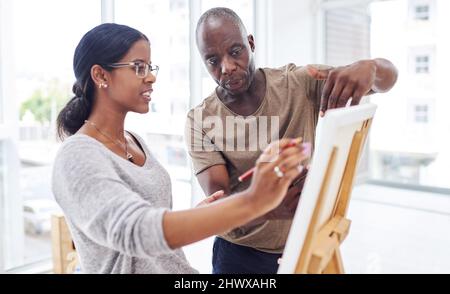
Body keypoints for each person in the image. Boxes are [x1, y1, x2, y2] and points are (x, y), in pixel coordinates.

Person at [52, 23, 308, 274]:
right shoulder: (76, 155)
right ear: (100, 75)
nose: (151, 77)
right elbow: (138, 232)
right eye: (139, 68)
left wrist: (199, 215)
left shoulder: (134, 142)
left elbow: (155, 236)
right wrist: (254, 201)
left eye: (150, 67)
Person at [185, 7, 398, 274]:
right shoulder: (200, 119)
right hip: (239, 255)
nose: (226, 67)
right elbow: (219, 202)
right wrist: (268, 206)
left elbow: (388, 80)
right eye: (212, 60)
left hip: (303, 242)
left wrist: (371, 67)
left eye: (235, 51)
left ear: (251, 44)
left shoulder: (297, 84)